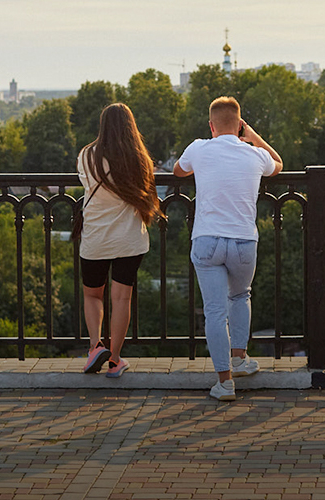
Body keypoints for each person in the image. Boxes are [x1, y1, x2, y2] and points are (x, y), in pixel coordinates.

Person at [173, 96, 283, 401]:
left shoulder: (199, 148)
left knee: (214, 311)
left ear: (211, 126)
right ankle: (240, 359)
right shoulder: (254, 155)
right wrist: (254, 137)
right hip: (244, 241)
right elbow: (279, 164)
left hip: (207, 240)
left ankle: (225, 382)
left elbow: (178, 171)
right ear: (239, 126)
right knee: (240, 296)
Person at [78, 103, 161, 378]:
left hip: (96, 238)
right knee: (121, 298)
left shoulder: (87, 156)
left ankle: (94, 347)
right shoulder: (140, 159)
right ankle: (114, 360)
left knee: (93, 294)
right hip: (129, 240)